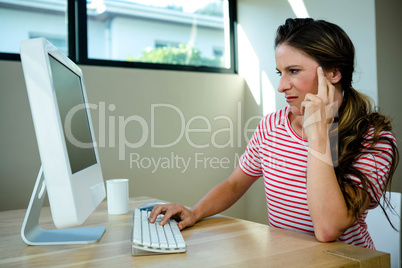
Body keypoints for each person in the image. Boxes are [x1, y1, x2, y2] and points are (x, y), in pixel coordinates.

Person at [149, 18, 399, 249]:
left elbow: (327, 228)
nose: (281, 86)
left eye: (294, 71)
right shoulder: (271, 126)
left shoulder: (374, 139)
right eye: (280, 73)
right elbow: (235, 184)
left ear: (333, 73)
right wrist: (195, 211)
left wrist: (318, 134)